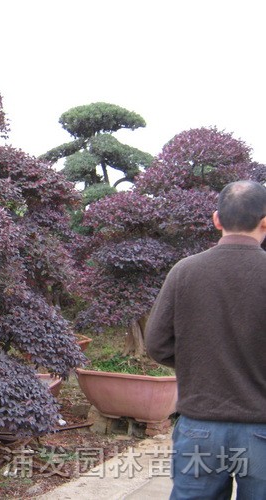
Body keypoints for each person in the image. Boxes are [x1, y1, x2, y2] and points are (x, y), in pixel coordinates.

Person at [145, 180, 266, 500]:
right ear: (265, 221)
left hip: (200, 426)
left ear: (216, 219)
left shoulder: (184, 272)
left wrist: (198, 359)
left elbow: (156, 344)